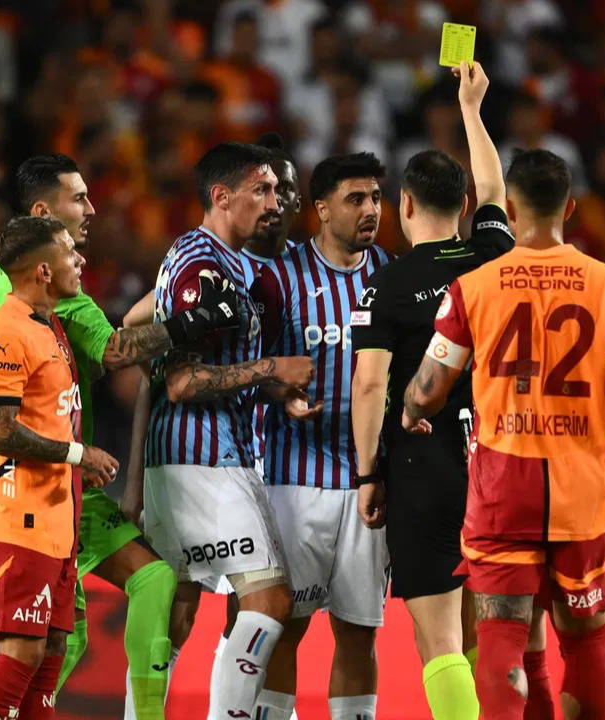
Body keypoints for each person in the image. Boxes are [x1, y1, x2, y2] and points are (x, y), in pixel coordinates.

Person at [400, 147, 605, 719]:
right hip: (585, 486)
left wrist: (410, 411)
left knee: (502, 634)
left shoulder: (475, 286)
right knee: (585, 641)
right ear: (570, 208)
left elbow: (429, 388)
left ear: (509, 208)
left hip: (505, 484)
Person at [0, 154, 235, 719]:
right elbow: (115, 351)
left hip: (66, 488)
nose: (91, 209)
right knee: (42, 645)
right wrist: (191, 322)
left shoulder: (7, 282)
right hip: (34, 493)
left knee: (146, 582)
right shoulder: (34, 300)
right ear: (43, 213)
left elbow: (87, 362)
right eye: (79, 198)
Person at [349, 61, 515, 720]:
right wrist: (472, 108)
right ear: (466, 208)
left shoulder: (386, 284)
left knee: (439, 641)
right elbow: (495, 184)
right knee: (487, 633)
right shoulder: (491, 256)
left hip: (424, 467)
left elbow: (370, 384)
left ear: (405, 206)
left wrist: (369, 473)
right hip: (498, 461)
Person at [142, 141, 316, 718]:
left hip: (200, 453)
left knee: (179, 609)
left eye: (277, 190)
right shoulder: (205, 266)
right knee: (269, 601)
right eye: (261, 190)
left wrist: (276, 392)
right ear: (222, 196)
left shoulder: (229, 261)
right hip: (203, 456)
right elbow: (182, 382)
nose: (275, 202)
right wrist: (272, 368)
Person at [248, 149, 390, 720]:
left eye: (376, 197)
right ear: (322, 208)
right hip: (293, 480)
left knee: (358, 632)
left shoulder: (391, 277)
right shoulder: (279, 276)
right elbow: (246, 368)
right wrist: (279, 393)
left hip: (368, 486)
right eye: (356, 199)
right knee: (286, 626)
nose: (370, 209)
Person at [0, 215, 120, 720]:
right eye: (71, 252)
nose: (82, 260)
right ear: (44, 270)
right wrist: (78, 454)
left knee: (50, 654)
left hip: (53, 523)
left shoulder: (48, 326)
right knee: (23, 652)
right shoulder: (4, 333)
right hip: (14, 519)